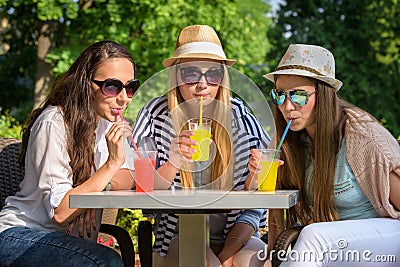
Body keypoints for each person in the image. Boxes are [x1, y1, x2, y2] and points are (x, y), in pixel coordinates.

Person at [132, 25, 271, 267]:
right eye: (191, 74)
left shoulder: (239, 115)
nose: (202, 84)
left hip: (236, 234)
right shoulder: (155, 115)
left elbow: (256, 198)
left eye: (213, 74)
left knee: (260, 263)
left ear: (222, 78)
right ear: (176, 75)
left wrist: (256, 177)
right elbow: (142, 189)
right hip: (177, 236)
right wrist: (173, 163)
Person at [258, 43, 400, 266]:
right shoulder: (289, 140)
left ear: (324, 94)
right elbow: (261, 196)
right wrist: (255, 173)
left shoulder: (363, 138)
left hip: (386, 237)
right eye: (279, 95)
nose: (286, 106)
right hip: (337, 244)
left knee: (314, 236)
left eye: (298, 96)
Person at [0, 40, 139, 266]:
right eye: (112, 86)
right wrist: (109, 167)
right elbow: (62, 213)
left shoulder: (106, 122)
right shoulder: (54, 123)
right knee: (106, 262)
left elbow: (132, 177)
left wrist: (93, 192)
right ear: (85, 84)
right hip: (21, 235)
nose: (123, 98)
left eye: (130, 87)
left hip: (65, 242)